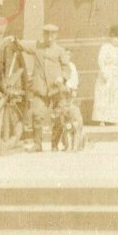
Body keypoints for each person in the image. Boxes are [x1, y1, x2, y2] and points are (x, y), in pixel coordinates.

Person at [19, 24, 71, 152]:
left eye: (52, 35)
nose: (49, 37)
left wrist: (62, 78)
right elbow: (21, 45)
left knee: (60, 116)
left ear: (56, 35)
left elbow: (67, 68)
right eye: (47, 34)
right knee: (37, 115)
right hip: (41, 88)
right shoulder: (37, 47)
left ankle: (54, 144)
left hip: (56, 88)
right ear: (43, 35)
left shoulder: (60, 50)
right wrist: (13, 40)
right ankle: (38, 145)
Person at [92, 25, 118, 125]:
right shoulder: (105, 47)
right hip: (106, 74)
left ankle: (112, 119)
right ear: (111, 37)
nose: (117, 40)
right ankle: (102, 119)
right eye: (116, 37)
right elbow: (101, 60)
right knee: (103, 95)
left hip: (116, 76)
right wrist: (104, 72)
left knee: (114, 96)